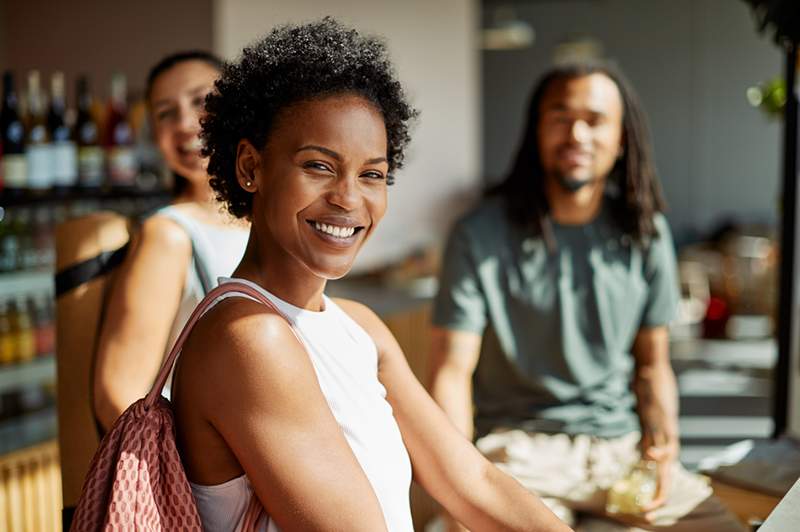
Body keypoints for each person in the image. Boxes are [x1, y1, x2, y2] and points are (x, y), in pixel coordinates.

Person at [170, 18, 573, 532]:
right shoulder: (251, 339)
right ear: (251, 167)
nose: (349, 198)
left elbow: (472, 483)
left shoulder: (359, 327)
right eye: (318, 166)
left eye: (372, 174)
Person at [428, 62, 745, 531]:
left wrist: (663, 449)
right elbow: (451, 371)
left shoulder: (645, 232)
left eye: (595, 120)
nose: (576, 133)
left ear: (621, 140)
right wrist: (459, 479)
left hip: (618, 451)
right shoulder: (478, 234)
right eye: (560, 117)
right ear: (537, 132)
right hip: (517, 451)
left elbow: (652, 365)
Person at [93, 51, 249, 431]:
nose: (183, 123)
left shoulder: (265, 222)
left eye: (201, 101)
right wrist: (177, 484)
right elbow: (119, 393)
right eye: (165, 113)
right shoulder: (169, 234)